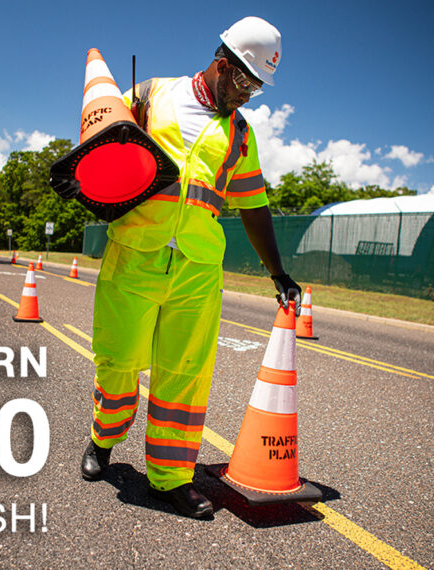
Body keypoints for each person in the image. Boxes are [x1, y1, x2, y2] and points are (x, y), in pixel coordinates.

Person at [80, 16, 302, 519]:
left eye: (257, 89)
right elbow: (96, 133)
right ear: (222, 65)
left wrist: (278, 273)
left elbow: (254, 206)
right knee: (117, 363)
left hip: (197, 270)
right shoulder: (152, 94)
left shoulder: (241, 134)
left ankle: (171, 478)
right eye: (244, 82)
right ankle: (103, 441)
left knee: (185, 377)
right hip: (135, 255)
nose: (247, 95)